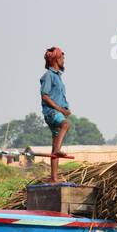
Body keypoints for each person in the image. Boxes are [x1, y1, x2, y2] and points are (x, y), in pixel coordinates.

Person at [40, 47, 74, 182]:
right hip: (52, 112)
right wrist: (61, 109)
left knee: (54, 147)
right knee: (66, 124)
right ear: (56, 59)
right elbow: (45, 96)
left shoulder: (57, 76)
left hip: (58, 112)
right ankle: (57, 150)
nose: (64, 61)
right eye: (62, 58)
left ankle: (53, 178)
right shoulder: (48, 75)